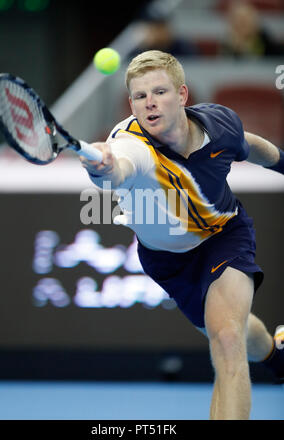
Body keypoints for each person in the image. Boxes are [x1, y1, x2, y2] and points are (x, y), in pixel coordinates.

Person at [79, 50, 284, 420]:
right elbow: (121, 168)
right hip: (168, 262)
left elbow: (250, 145)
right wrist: (102, 169)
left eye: (159, 92)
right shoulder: (129, 144)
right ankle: (276, 353)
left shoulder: (219, 126)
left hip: (224, 235)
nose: (150, 103)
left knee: (227, 339)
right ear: (131, 104)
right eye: (140, 97)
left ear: (183, 95)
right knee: (235, 332)